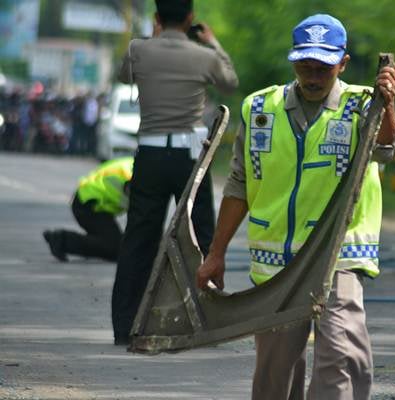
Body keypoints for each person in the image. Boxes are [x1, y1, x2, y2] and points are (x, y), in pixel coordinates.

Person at [196, 13, 395, 400]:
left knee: (342, 355)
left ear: (342, 63)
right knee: (275, 375)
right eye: (304, 65)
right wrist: (216, 253)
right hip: (277, 263)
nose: (312, 76)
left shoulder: (362, 105)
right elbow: (240, 184)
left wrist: (387, 105)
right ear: (293, 62)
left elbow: (387, 149)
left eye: (323, 67)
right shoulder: (260, 110)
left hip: (336, 256)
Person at [111, 0, 238, 346]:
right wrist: (212, 43)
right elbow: (230, 82)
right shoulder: (204, 55)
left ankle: (125, 326)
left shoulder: (139, 49)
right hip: (188, 158)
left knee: (138, 239)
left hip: (149, 155)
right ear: (191, 18)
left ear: (156, 18)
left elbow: (124, 76)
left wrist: (150, 40)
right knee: (201, 239)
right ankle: (207, 322)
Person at [42, 157, 133, 262]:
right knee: (114, 248)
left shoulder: (133, 165)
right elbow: (138, 214)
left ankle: (67, 240)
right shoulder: (133, 177)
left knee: (117, 245)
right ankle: (62, 240)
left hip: (90, 201)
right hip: (89, 206)